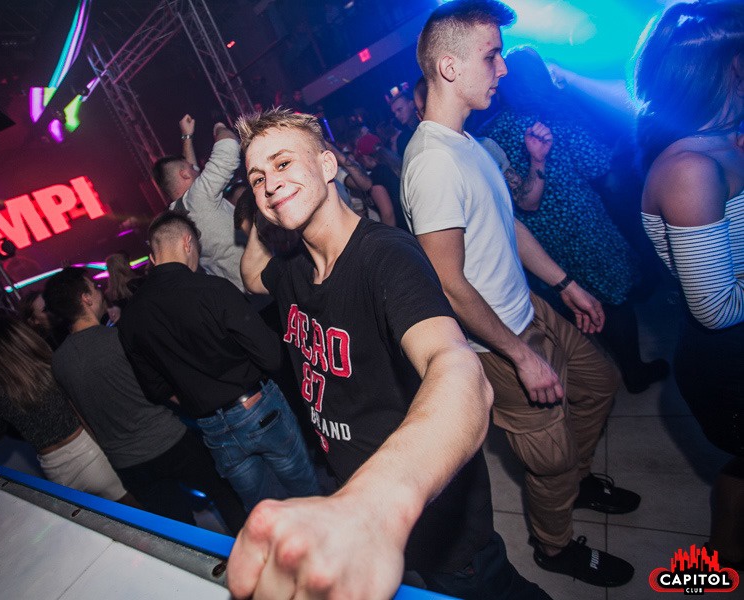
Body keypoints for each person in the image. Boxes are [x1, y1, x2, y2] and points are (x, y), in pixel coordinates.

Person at [230, 107, 549, 599]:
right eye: (257, 177)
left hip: (426, 514)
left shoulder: (385, 257)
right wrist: (270, 205)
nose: (270, 182)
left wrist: (370, 508)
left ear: (328, 164)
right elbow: (252, 276)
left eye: (284, 163)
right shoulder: (293, 265)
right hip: (358, 494)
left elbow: (456, 367)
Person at [402, 0, 638, 587]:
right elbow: (449, 284)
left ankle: (576, 481)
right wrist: (519, 355)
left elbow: (508, 225)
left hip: (530, 308)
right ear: (450, 67)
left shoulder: (467, 144)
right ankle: (555, 546)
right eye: (492, 56)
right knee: (547, 457)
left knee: (600, 384)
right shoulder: (431, 164)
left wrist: (564, 284)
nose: (503, 68)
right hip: (498, 341)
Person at [480, 45, 669, 393]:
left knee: (571, 302)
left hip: (539, 239)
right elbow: (596, 164)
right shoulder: (556, 116)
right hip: (583, 225)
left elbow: (514, 196)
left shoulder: (492, 133)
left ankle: (594, 373)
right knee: (614, 297)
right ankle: (633, 371)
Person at [636, 0, 744, 570]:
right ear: (725, 71)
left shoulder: (725, 141)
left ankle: (723, 553)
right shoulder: (689, 172)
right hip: (728, 359)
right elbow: (717, 308)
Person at [118, 212, 320, 512]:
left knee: (261, 512)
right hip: (258, 409)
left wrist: (201, 398)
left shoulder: (130, 319)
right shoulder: (213, 289)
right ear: (188, 243)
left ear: (152, 256)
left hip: (212, 428)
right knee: (306, 496)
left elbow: (155, 389)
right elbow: (271, 356)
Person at [43, 268, 247, 533]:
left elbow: (82, 415)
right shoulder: (119, 339)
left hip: (129, 464)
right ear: (86, 299)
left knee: (177, 529)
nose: (100, 291)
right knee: (224, 494)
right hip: (170, 441)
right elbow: (162, 384)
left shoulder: (59, 362)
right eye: (94, 287)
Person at [0, 317, 134, 506]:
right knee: (138, 514)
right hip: (92, 456)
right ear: (21, 340)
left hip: (57, 474)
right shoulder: (54, 368)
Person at [152, 115, 245, 291]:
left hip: (236, 291)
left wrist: (187, 137)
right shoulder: (199, 197)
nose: (196, 169)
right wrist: (219, 127)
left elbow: (190, 174)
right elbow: (229, 147)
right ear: (184, 174)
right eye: (191, 168)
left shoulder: (176, 215)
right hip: (261, 281)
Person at [390, 92, 420, 157]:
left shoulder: (430, 120)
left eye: (399, 110)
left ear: (411, 104)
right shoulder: (402, 140)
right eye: (394, 113)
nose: (397, 115)